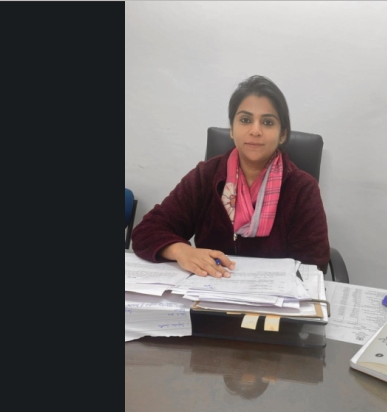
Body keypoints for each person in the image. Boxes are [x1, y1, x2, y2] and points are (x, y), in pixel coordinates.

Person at [131, 75, 330, 277]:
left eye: (268, 122)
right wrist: (181, 250)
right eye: (245, 120)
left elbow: (313, 265)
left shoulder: (302, 188)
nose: (255, 130)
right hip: (210, 287)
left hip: (273, 294)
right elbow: (146, 231)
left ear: (283, 134)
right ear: (232, 130)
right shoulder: (205, 176)